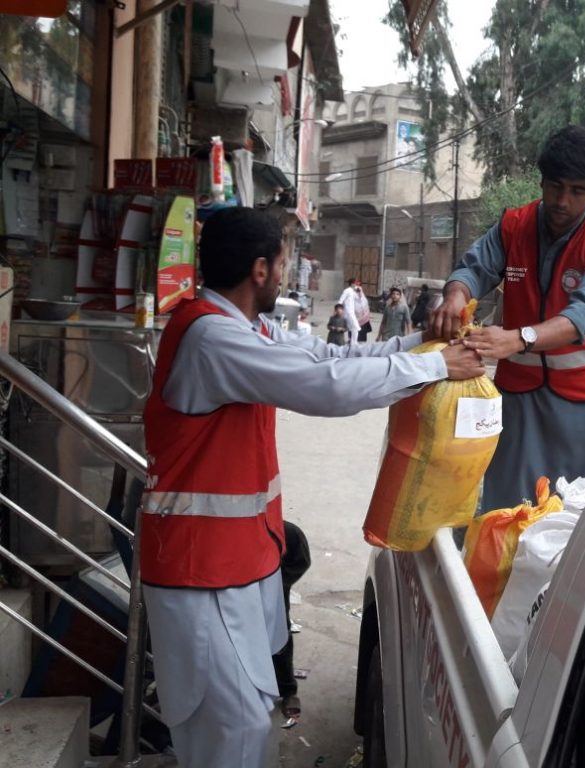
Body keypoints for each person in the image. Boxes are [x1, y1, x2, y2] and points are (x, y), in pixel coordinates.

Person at [139, 207, 483, 768]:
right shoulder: (213, 339)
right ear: (258, 270)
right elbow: (323, 385)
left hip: (237, 563)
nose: (284, 274)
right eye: (281, 263)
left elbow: (331, 356)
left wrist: (424, 346)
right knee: (229, 733)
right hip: (198, 571)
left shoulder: (243, 328)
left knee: (252, 720)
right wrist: (438, 368)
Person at [433, 125, 585, 511]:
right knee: (506, 511)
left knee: (577, 518)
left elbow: (582, 316)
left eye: (577, 191)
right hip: (520, 398)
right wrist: (455, 296)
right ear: (541, 182)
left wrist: (516, 338)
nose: (563, 200)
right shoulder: (513, 227)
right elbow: (473, 269)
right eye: (555, 186)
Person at [272, 520, 310, 720]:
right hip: (237, 600)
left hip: (273, 600)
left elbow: (301, 561)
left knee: (279, 640)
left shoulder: (286, 532)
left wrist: (276, 583)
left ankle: (287, 690)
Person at [340, 277, 371, 343]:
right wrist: (339, 309)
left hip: (362, 314)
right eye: (355, 283)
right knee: (353, 328)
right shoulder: (348, 291)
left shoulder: (358, 290)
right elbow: (341, 301)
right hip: (351, 313)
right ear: (351, 284)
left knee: (358, 329)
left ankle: (355, 342)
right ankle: (352, 342)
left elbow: (360, 299)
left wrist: (359, 293)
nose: (357, 285)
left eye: (358, 283)